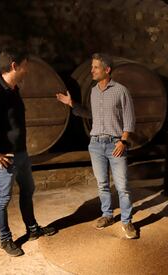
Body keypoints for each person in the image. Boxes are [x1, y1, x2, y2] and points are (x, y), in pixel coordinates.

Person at [0, 48, 56, 257]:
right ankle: (5, 239)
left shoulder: (12, 88)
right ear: (14, 66)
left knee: (28, 190)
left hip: (21, 154)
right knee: (2, 199)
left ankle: (32, 229)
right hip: (6, 158)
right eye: (25, 64)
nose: (28, 69)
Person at [56, 53, 137, 239]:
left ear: (107, 70)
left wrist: (123, 141)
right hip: (96, 144)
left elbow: (130, 119)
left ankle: (127, 221)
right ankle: (107, 215)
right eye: (91, 67)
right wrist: (71, 103)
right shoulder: (93, 90)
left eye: (95, 67)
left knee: (122, 186)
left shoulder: (121, 90)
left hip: (116, 144)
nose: (91, 70)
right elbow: (90, 115)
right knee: (102, 185)